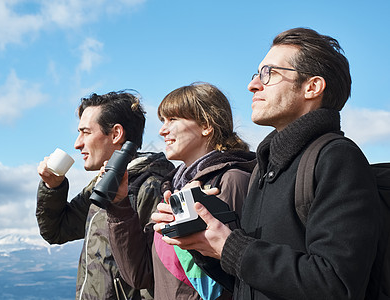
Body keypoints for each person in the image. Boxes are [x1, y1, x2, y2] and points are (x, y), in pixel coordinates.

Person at [156, 28, 383, 300]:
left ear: (312, 87)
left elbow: (336, 283)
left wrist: (231, 246)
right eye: (256, 74)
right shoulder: (264, 168)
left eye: (269, 73)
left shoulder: (336, 158)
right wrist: (204, 240)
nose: (253, 85)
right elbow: (248, 284)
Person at [106, 82, 256, 300]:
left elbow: (241, 277)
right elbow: (140, 275)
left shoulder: (232, 181)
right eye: (162, 121)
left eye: (172, 119)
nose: (161, 130)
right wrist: (119, 204)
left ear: (206, 125)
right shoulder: (172, 190)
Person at [36, 91, 175, 300]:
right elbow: (56, 231)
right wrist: (53, 187)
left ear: (116, 134)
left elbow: (155, 277)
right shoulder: (102, 184)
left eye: (86, 132)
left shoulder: (149, 187)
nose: (77, 143)